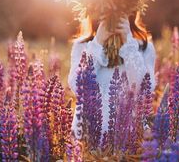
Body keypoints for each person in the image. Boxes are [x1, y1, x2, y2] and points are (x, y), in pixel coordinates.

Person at [67, 11, 156, 139]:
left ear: (131, 10)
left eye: (120, 10)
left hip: (129, 136)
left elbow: (143, 89)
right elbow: (78, 86)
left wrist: (127, 41)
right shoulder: (83, 45)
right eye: (105, 10)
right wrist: (98, 42)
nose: (113, 14)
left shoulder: (143, 47)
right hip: (87, 134)